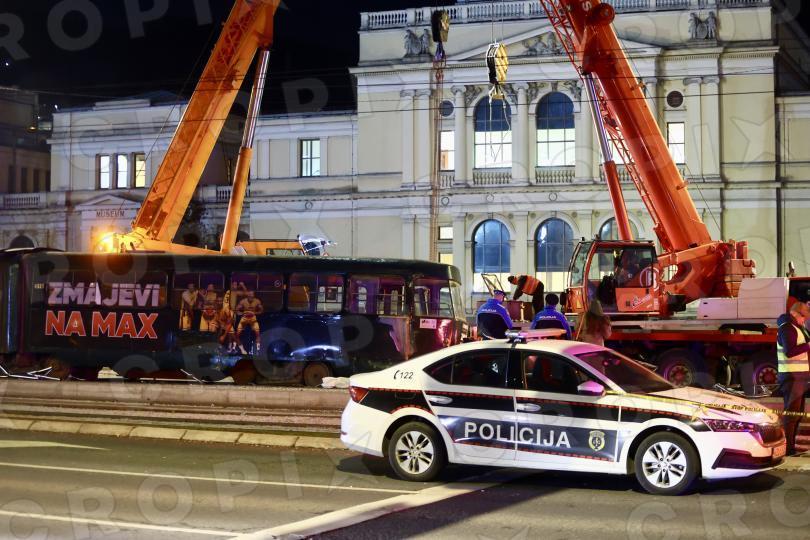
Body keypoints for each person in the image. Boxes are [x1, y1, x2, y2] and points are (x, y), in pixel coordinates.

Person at [776, 302, 810, 456]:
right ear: (796, 314)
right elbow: (789, 351)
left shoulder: (796, 327)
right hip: (792, 376)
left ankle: (791, 447)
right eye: (804, 318)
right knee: (791, 415)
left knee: (797, 414)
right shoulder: (787, 328)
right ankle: (788, 449)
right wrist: (808, 345)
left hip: (799, 376)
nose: (804, 320)